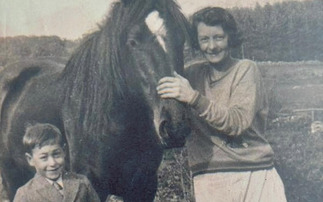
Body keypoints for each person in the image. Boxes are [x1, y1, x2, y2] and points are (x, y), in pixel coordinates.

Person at [157, 7, 287, 202]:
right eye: (204, 39)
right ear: (197, 43)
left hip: (255, 175)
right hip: (209, 179)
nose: (212, 46)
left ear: (230, 38)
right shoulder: (189, 75)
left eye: (218, 37)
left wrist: (193, 98)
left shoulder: (245, 70)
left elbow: (236, 122)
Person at [13, 123, 100, 202]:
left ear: (64, 151)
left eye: (56, 154)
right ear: (30, 159)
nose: (53, 163)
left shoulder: (82, 182)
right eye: (44, 157)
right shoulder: (25, 194)